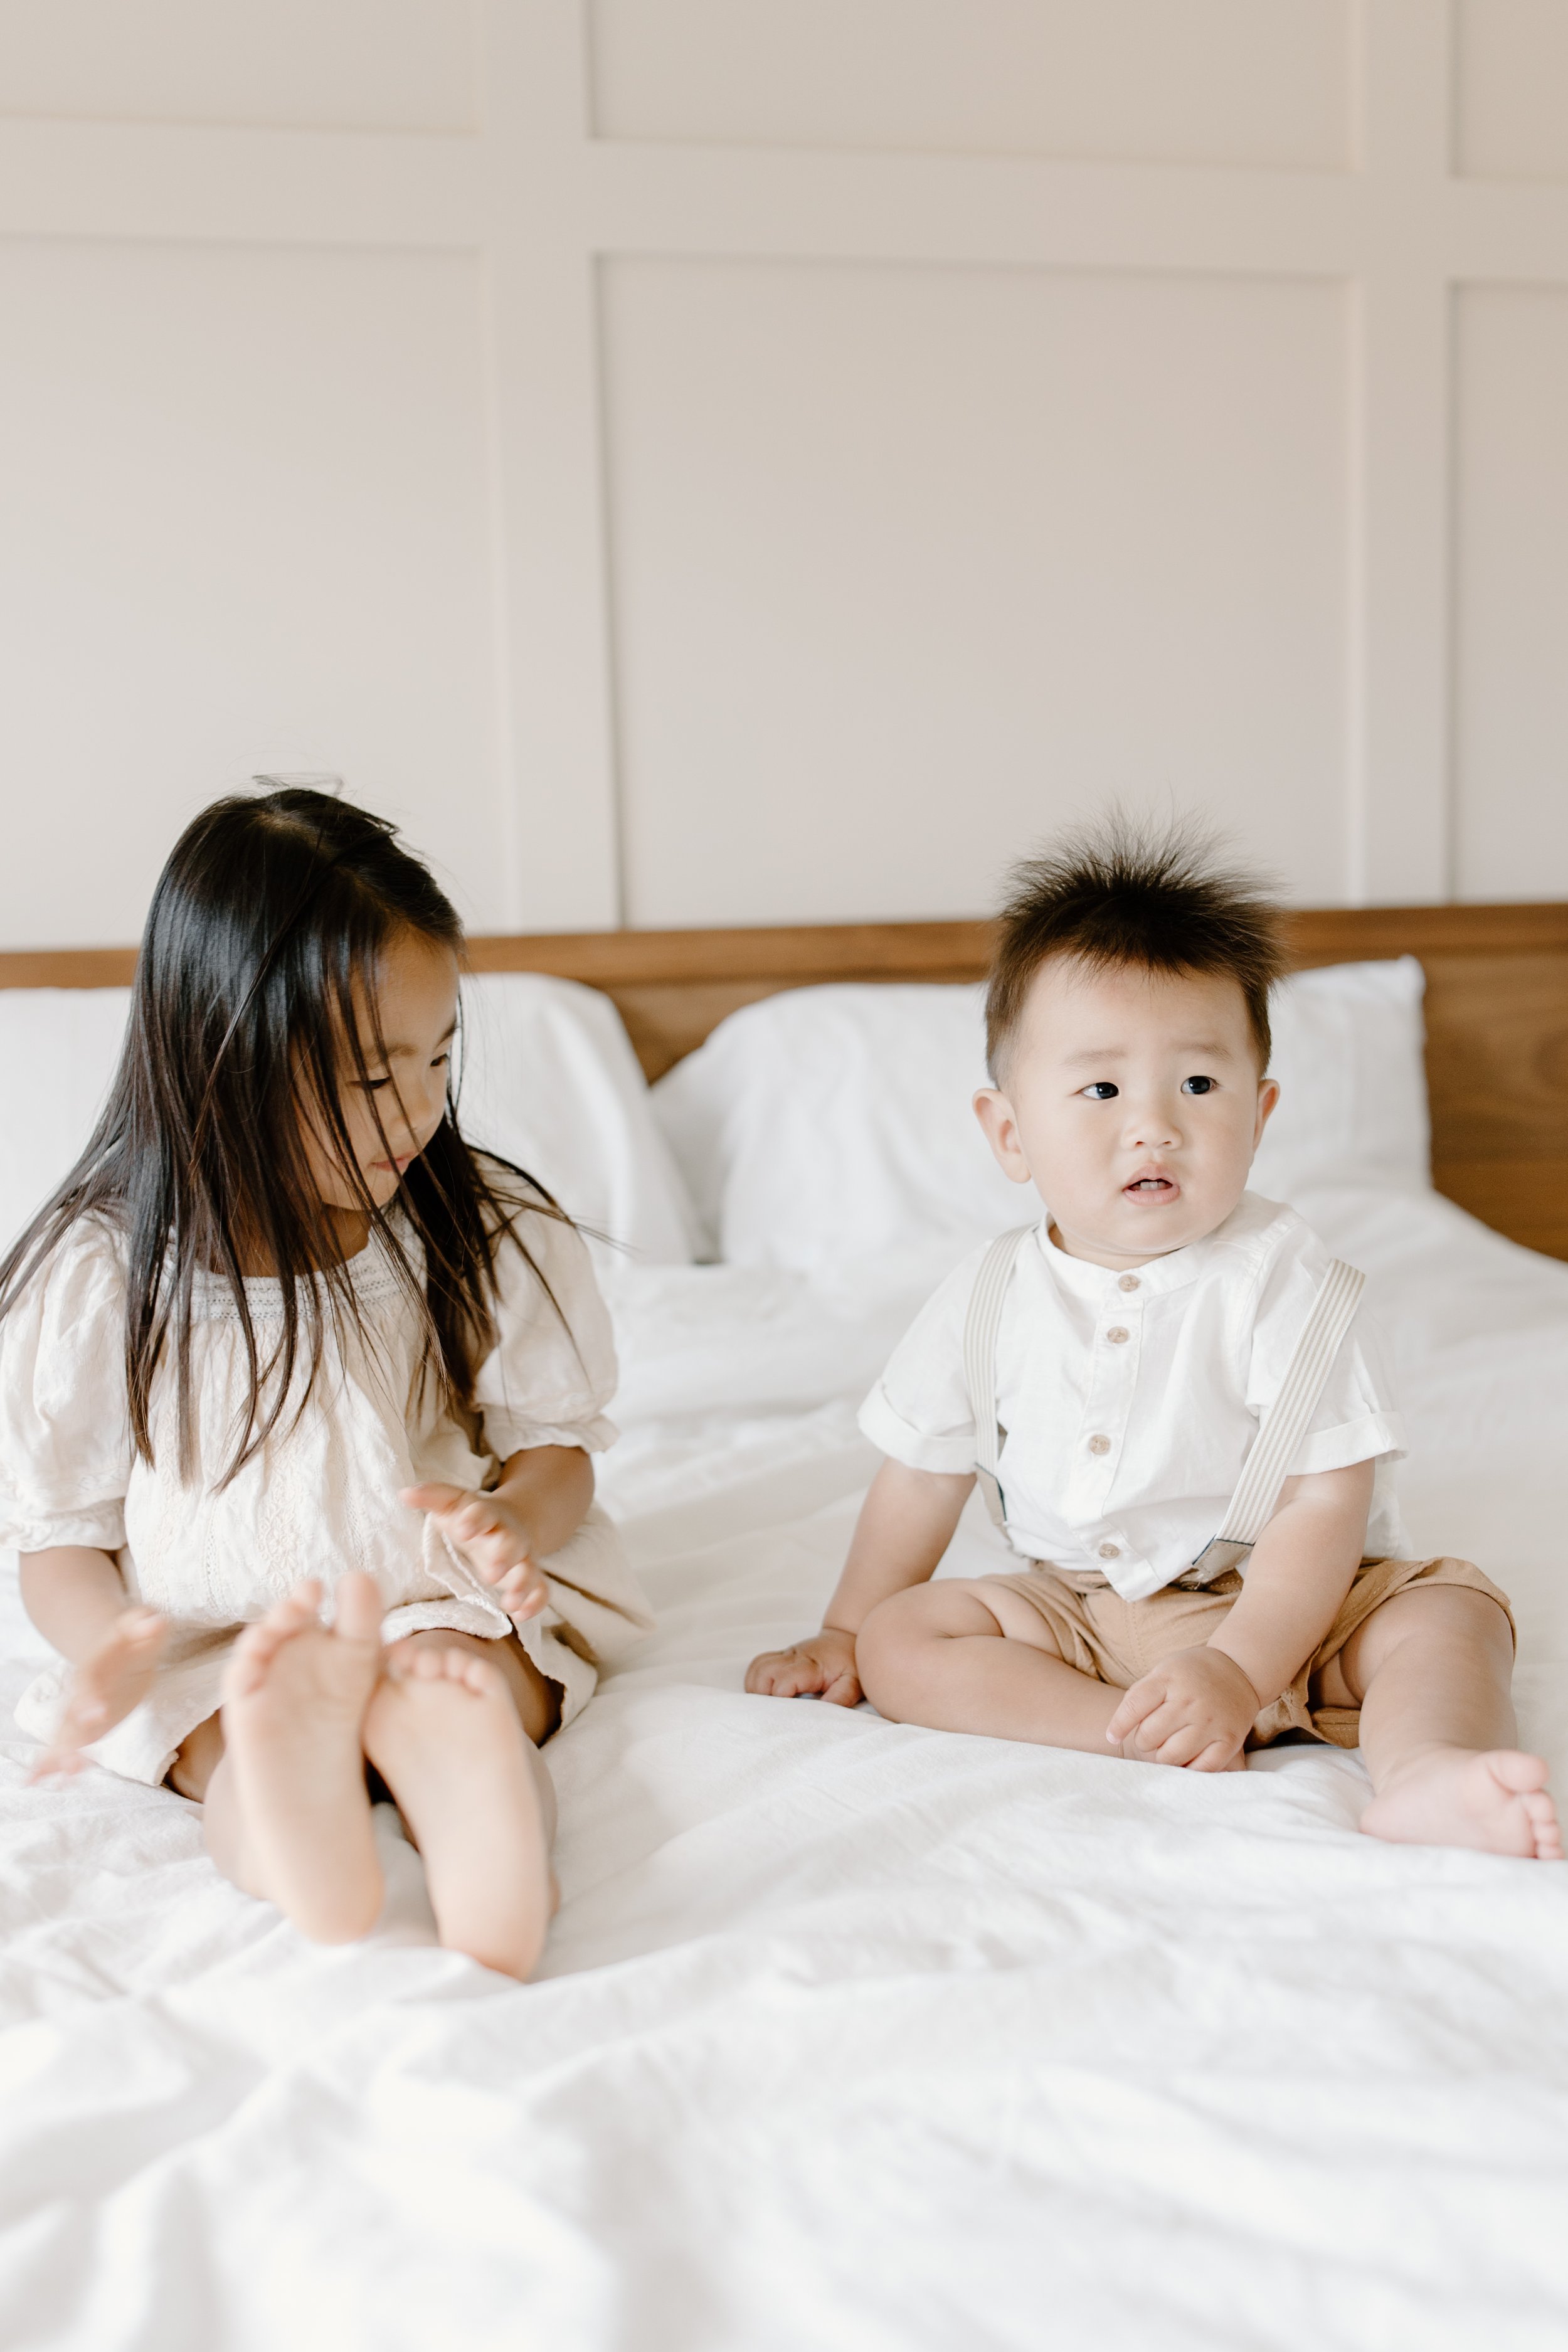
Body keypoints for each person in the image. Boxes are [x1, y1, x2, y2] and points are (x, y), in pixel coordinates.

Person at [748, 823, 1560, 1862]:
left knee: (1452, 1616)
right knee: (908, 1640)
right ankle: (1132, 1735)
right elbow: (919, 1475)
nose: (1154, 1126)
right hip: (1081, 1615)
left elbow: (1323, 1504)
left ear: (1261, 1115)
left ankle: (1426, 1772)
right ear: (1009, 1131)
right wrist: (847, 1626)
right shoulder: (988, 1292)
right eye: (1100, 1089)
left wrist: (1240, 1665)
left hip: (1295, 1608)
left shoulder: (1291, 1282)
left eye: (1199, 1085)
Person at [1, 787, 654, 1976]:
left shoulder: (476, 1224)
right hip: (216, 1643)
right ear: (223, 1057)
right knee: (241, 1749)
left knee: (460, 1693)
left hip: (428, 1594)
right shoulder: (106, 1273)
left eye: (439, 1059)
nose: (418, 1112)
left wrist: (514, 1520)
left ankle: (494, 1853)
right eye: (369, 1080)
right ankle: (308, 1834)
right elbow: (60, 1537)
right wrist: (113, 1644)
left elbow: (556, 1447)